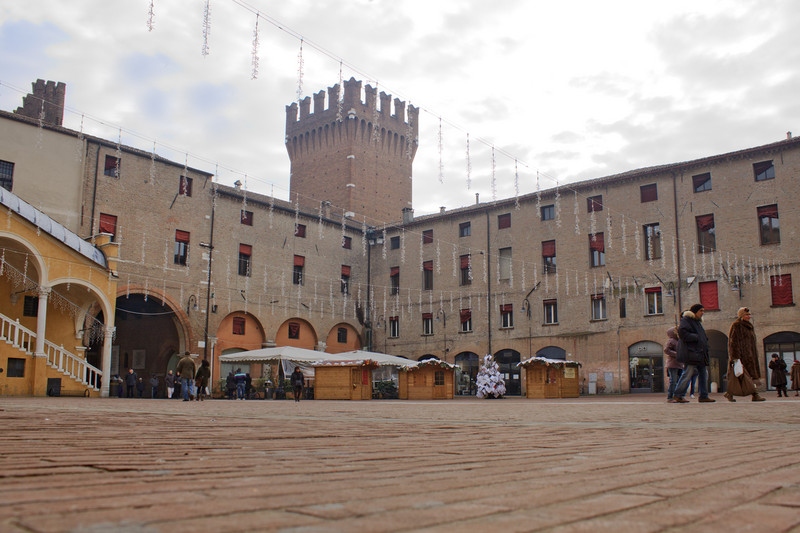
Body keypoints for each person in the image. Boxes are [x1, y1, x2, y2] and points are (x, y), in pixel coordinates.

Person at [672, 304, 714, 403]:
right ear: (695, 312)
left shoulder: (697, 322)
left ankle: (703, 395)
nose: (703, 313)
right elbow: (682, 333)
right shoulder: (687, 320)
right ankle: (678, 395)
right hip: (691, 353)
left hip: (700, 353)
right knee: (687, 374)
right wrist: (697, 337)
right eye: (701, 311)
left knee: (704, 374)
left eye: (703, 310)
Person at [725, 307, 766, 402]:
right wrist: (735, 357)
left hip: (750, 355)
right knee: (741, 376)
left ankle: (731, 394)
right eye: (746, 315)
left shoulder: (749, 326)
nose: (749, 316)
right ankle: (754, 394)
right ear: (741, 316)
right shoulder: (737, 325)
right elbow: (733, 342)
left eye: (749, 315)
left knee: (749, 376)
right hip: (742, 356)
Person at [663, 327, 683, 402]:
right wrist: (676, 354)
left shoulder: (679, 341)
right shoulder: (671, 341)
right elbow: (666, 350)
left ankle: (678, 396)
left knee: (679, 381)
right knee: (673, 381)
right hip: (673, 364)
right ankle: (670, 397)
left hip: (679, 364)